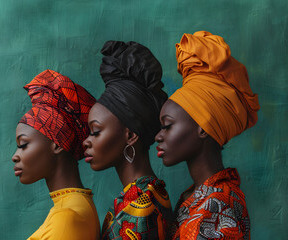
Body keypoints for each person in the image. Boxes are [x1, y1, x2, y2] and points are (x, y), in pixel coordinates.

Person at [155, 31, 260, 240]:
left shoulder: (220, 206)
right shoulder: (196, 195)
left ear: (203, 127)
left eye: (167, 126)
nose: (158, 136)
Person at [83, 41, 174, 240]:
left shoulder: (142, 208)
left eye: (95, 131)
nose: (86, 142)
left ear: (130, 135)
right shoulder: (146, 194)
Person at [12, 69, 100, 240]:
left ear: (58, 144)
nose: (15, 156)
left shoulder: (67, 218)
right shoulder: (76, 207)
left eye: (23, 145)